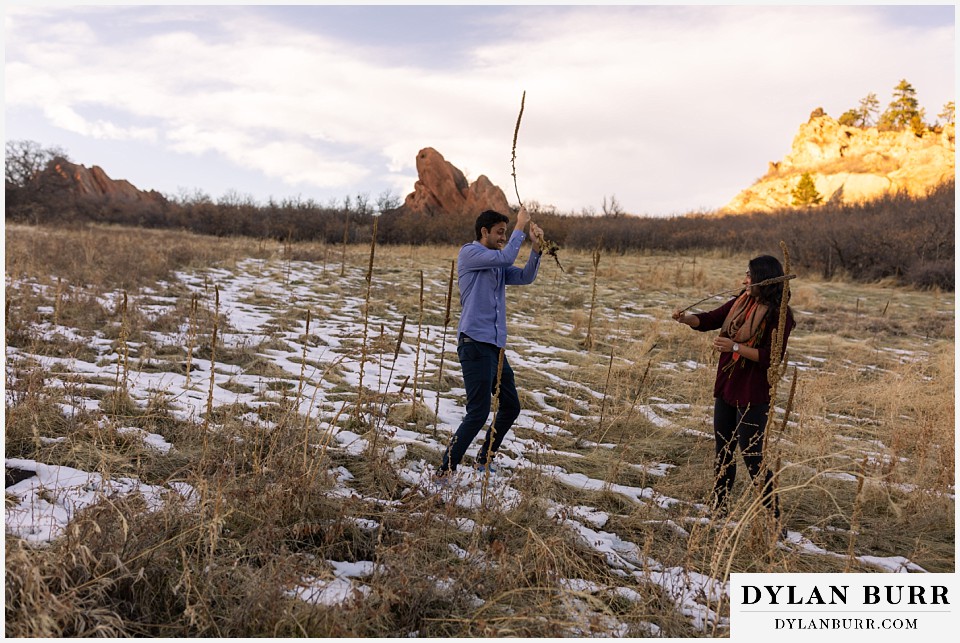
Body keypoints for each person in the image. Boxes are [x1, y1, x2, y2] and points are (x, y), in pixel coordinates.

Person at [672, 255, 795, 526]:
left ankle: (774, 521)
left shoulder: (779, 315)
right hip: (728, 384)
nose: (745, 279)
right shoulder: (742, 300)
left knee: (752, 456)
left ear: (764, 279)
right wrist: (686, 318)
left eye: (750, 275)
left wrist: (735, 347)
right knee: (723, 449)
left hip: (753, 390)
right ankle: (719, 508)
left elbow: (770, 357)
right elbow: (711, 319)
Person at [437, 206, 544, 480]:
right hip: (473, 344)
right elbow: (508, 255)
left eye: (506, 232)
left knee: (511, 406)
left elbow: (525, 276)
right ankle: (445, 471)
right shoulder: (470, 253)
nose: (503, 237)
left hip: (495, 347)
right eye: (500, 232)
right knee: (478, 411)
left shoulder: (497, 263)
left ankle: (484, 459)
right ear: (484, 232)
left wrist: (536, 249)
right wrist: (521, 225)